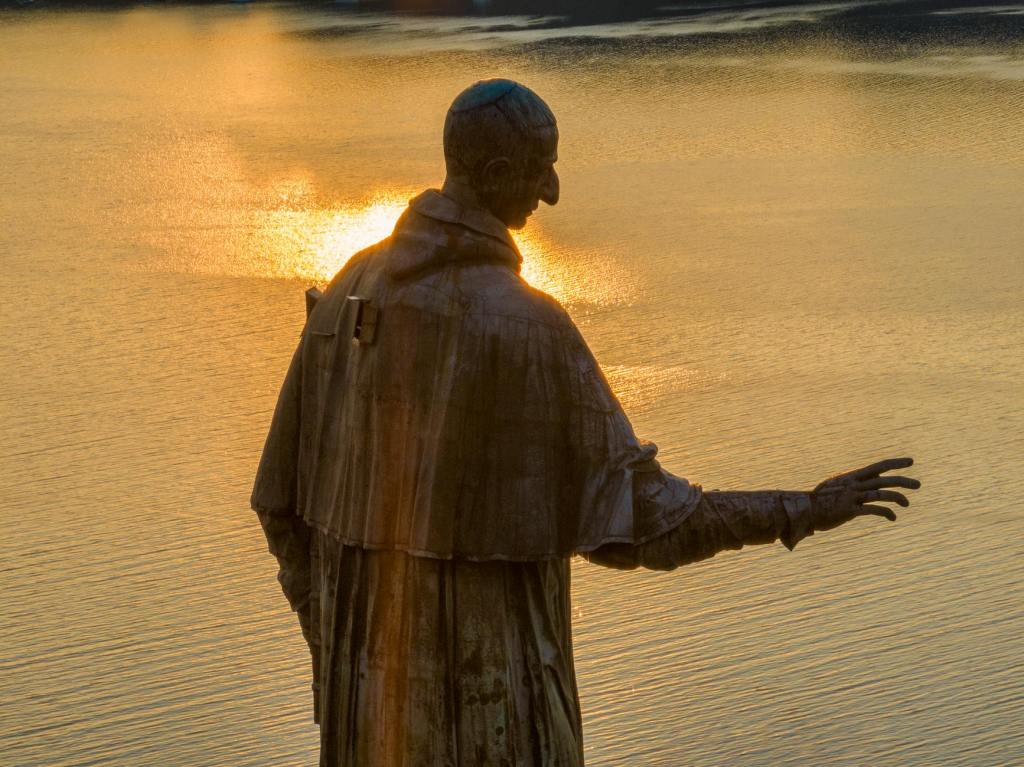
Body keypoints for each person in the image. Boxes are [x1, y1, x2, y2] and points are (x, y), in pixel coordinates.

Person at [250, 79, 921, 766]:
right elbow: (649, 524)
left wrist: (335, 645)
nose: (553, 193)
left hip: (361, 727)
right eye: (543, 169)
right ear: (499, 174)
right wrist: (800, 508)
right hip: (496, 718)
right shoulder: (527, 329)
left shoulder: (343, 294)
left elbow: (277, 507)